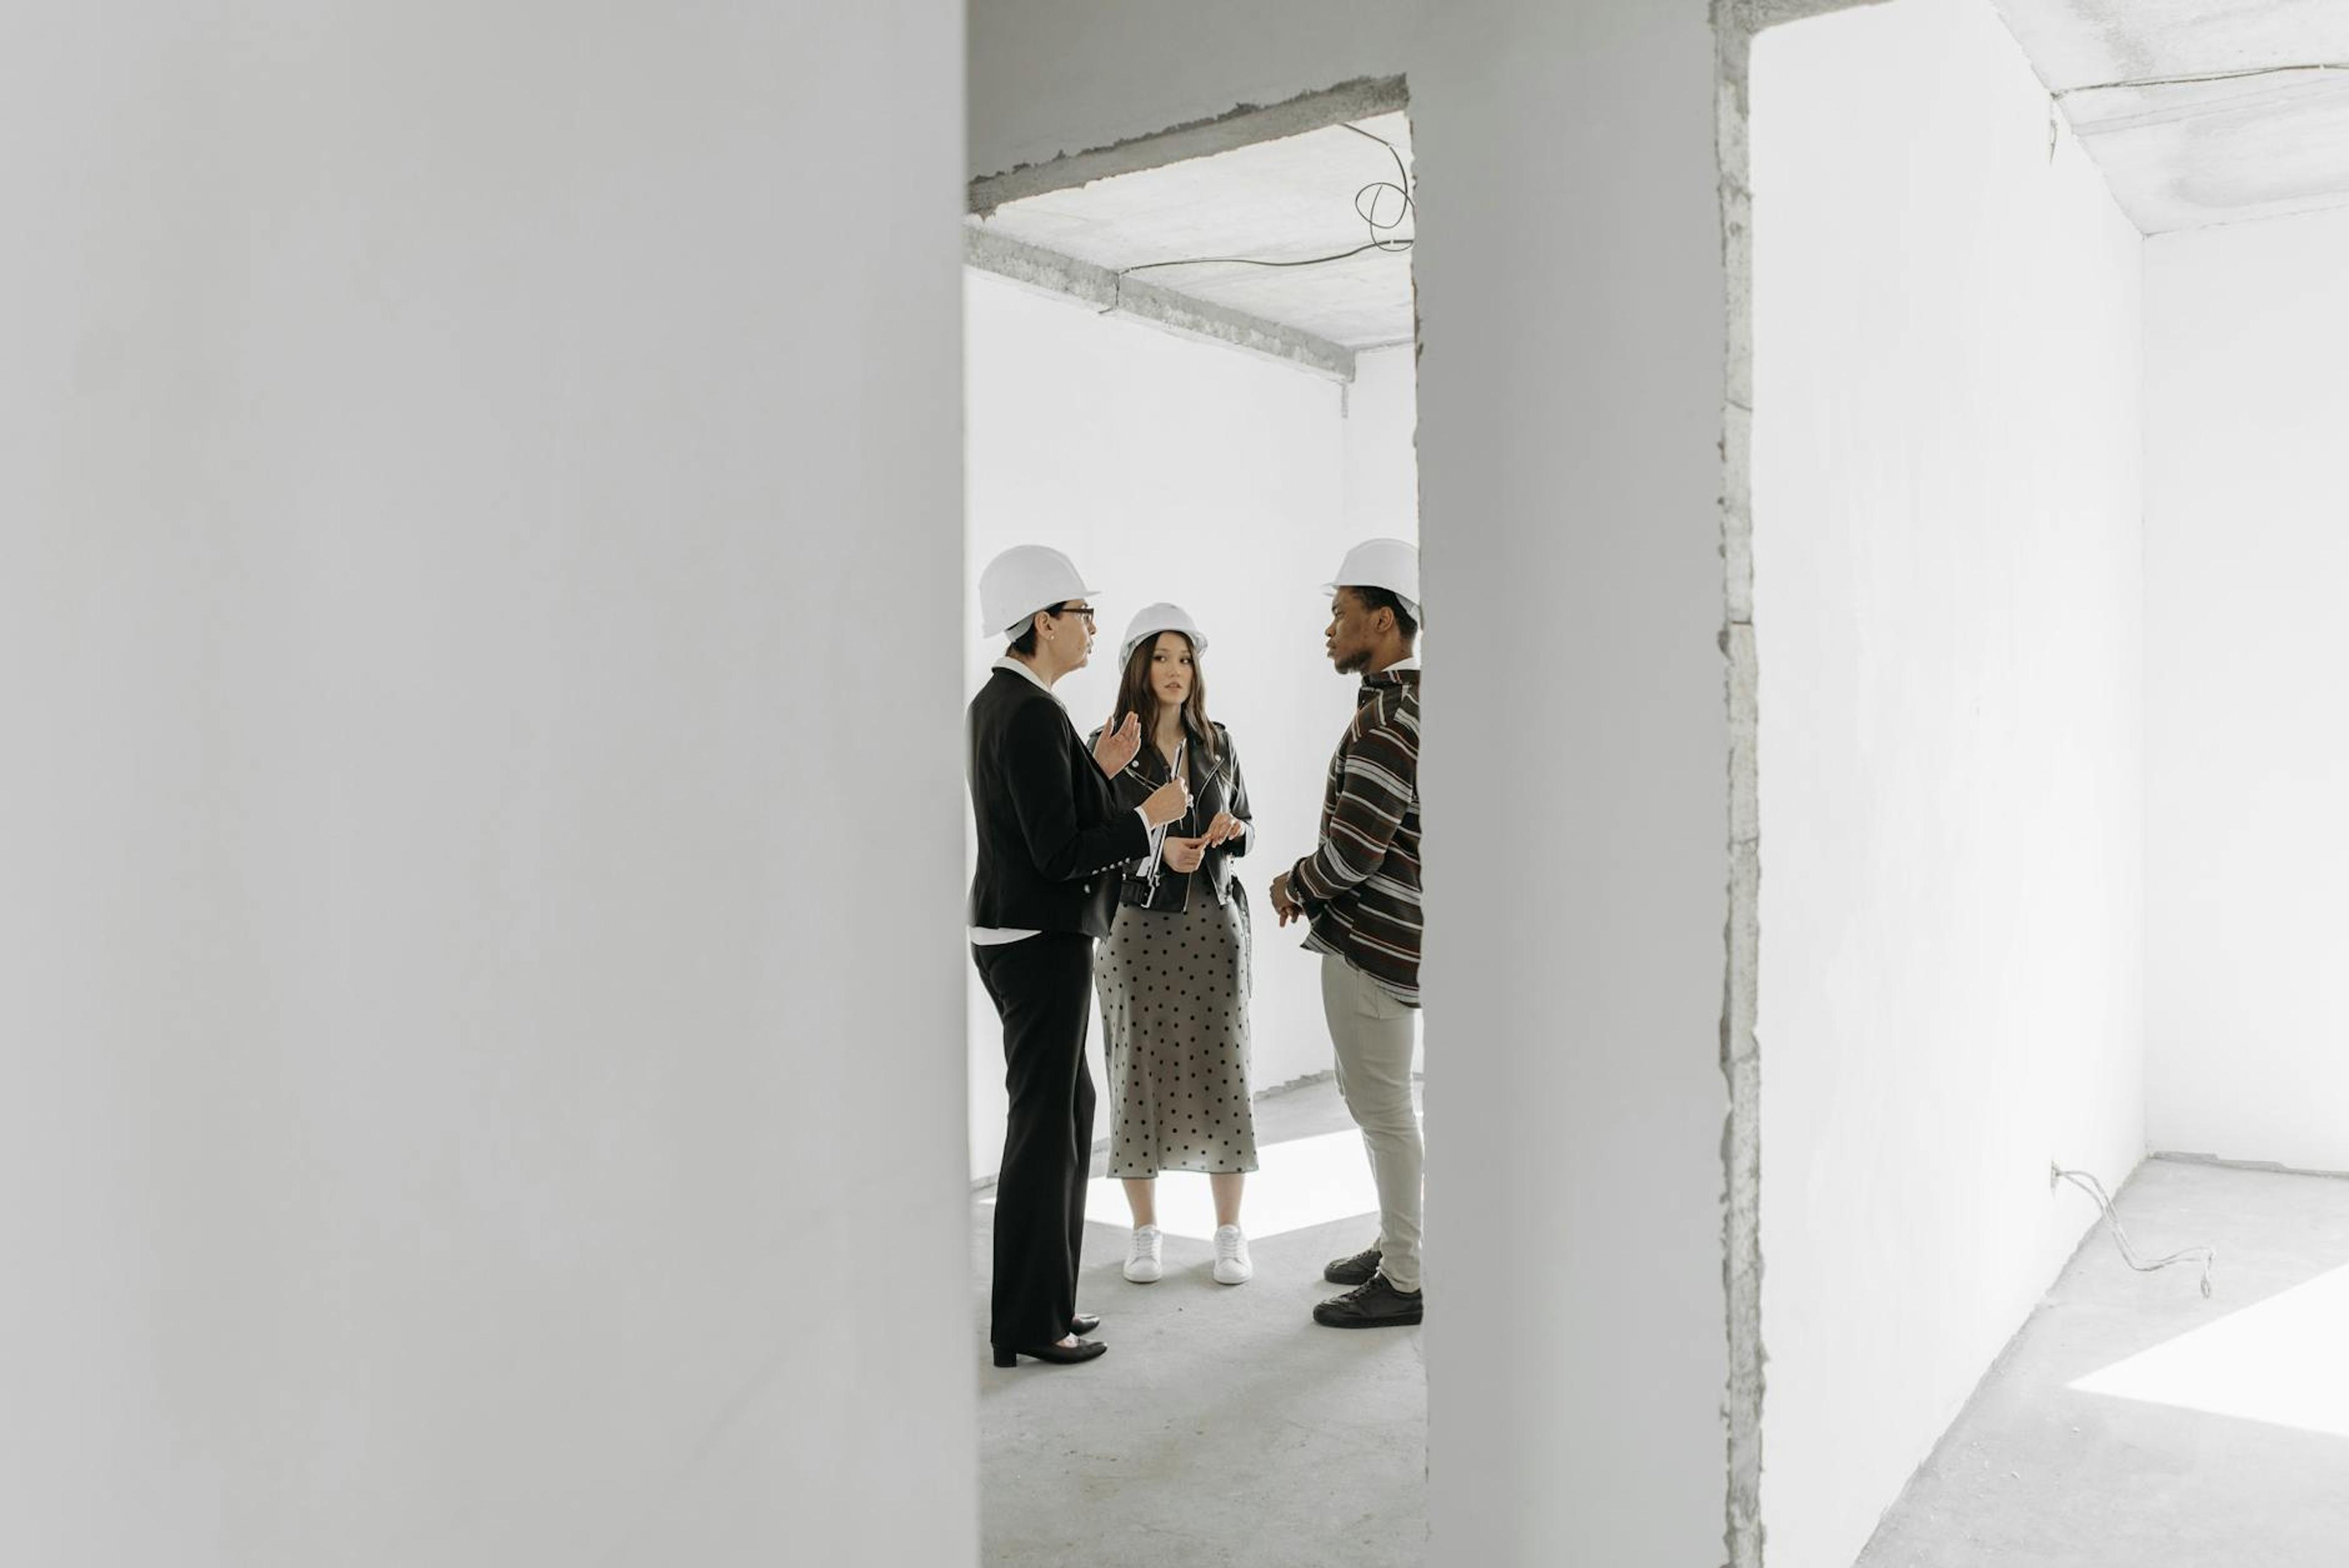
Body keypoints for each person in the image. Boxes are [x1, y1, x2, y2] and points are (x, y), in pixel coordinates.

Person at [968, 546, 1190, 1369]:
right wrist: (1149, 815)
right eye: (1081, 612)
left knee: (1069, 1115)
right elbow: (1060, 852)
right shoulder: (1026, 712)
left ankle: (1047, 1303)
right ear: (1043, 622)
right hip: (1039, 940)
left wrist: (1096, 768)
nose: (1093, 626)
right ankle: (1029, 1323)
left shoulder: (1010, 704)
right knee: (1045, 1131)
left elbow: (1038, 815)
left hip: (1024, 935)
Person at [1269, 538, 1426, 1329]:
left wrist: (1293, 882)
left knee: (1384, 1106)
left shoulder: (1387, 719)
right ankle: (1402, 1242)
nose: (1330, 627)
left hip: (1373, 941)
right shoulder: (1401, 707)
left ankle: (1404, 1273)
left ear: (1384, 619)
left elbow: (1356, 850)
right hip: (1381, 940)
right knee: (1375, 1102)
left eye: (1341, 613)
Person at [1086, 604, 1260, 1290]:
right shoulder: (1104, 745)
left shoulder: (1218, 742)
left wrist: (1228, 827)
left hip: (1213, 926)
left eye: (1186, 659)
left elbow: (1249, 824)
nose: (1176, 671)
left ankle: (1228, 1233)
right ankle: (1145, 1231)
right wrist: (1154, 852)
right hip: (1135, 931)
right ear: (1138, 665)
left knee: (1226, 1068)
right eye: (1162, 657)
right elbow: (1087, 845)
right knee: (1136, 1071)